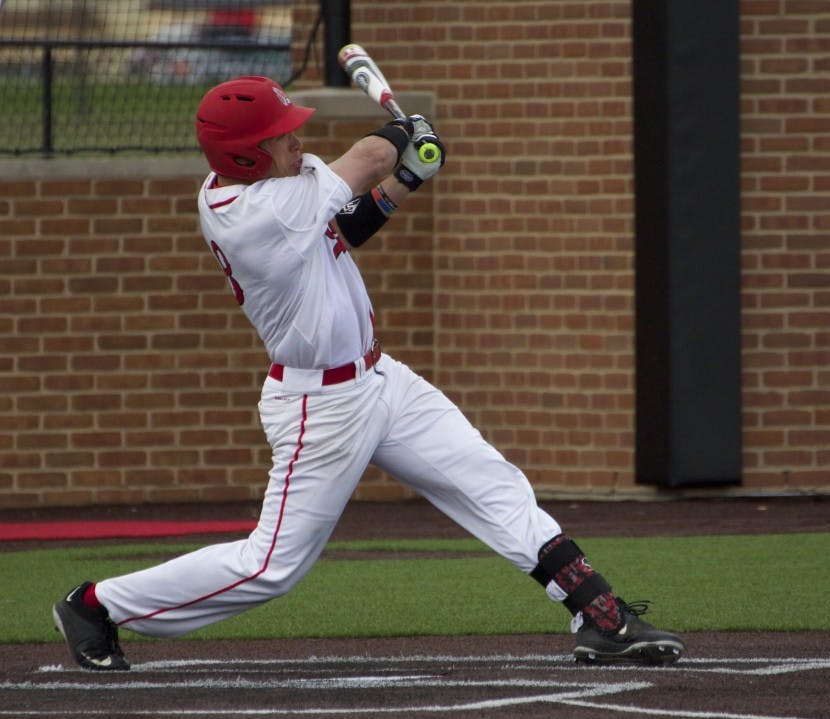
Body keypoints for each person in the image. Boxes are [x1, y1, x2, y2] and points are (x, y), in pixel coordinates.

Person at [52, 76, 685, 671]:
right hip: (318, 405)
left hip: (381, 380)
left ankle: (601, 616)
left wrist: (409, 173)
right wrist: (404, 132)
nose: (297, 140)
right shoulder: (256, 212)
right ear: (246, 157)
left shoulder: (276, 191)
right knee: (272, 566)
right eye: (282, 136)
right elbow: (367, 159)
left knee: (491, 481)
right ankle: (97, 605)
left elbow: (346, 228)